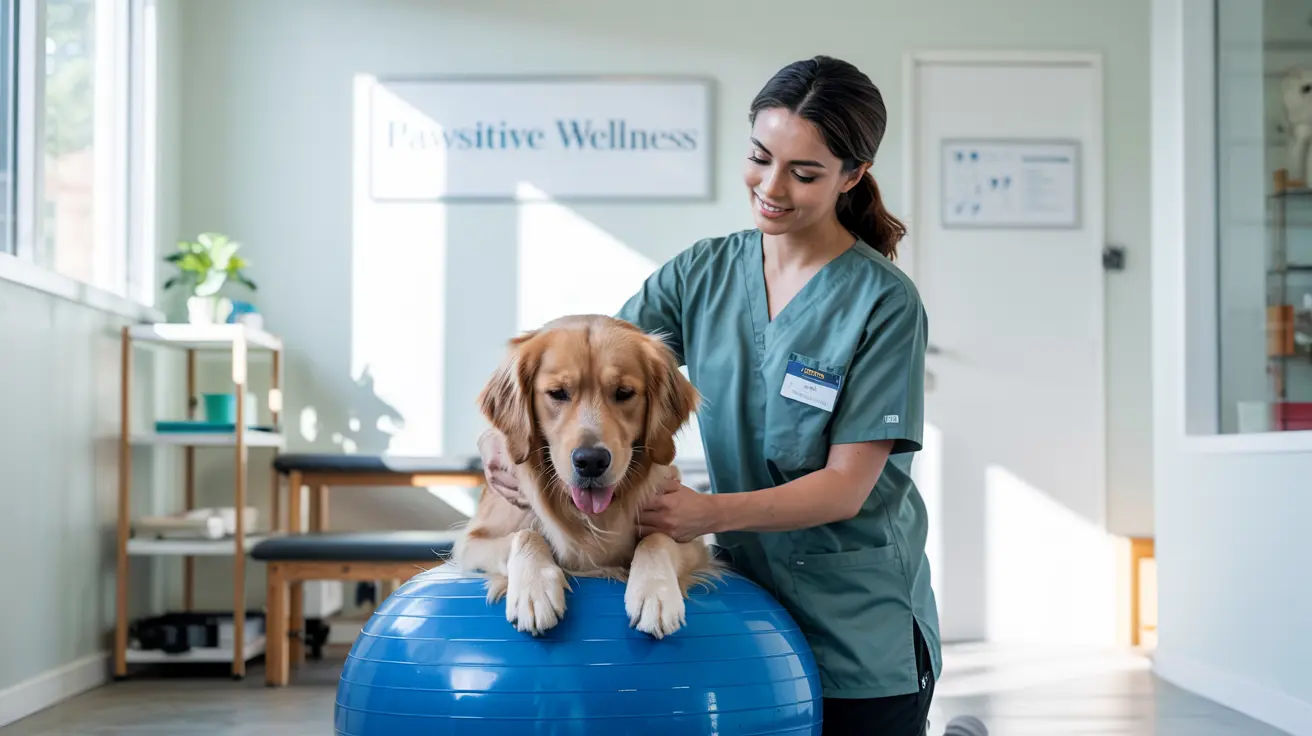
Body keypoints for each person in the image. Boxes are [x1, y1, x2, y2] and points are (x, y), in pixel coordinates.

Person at [477, 55, 940, 736]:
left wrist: (704, 512)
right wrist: (502, 436)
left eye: (804, 173)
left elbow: (846, 488)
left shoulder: (883, 303)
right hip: (739, 610)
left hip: (857, 629)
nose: (771, 187)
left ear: (853, 176)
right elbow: (592, 369)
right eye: (759, 157)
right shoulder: (703, 273)